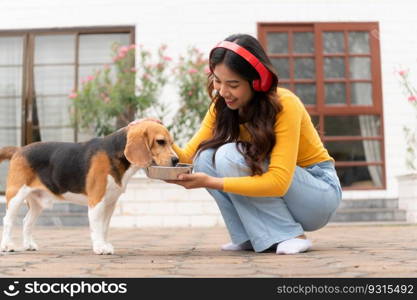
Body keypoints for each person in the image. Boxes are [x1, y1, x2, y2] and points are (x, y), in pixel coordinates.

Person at [167, 33, 342, 255]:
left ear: (258, 82)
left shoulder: (285, 104)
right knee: (204, 159)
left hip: (318, 194)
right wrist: (155, 136)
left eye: (233, 84)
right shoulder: (222, 107)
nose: (222, 91)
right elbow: (187, 158)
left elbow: (278, 182)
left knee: (228, 155)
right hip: (288, 192)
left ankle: (290, 235)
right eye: (217, 81)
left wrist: (212, 182)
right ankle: (249, 237)